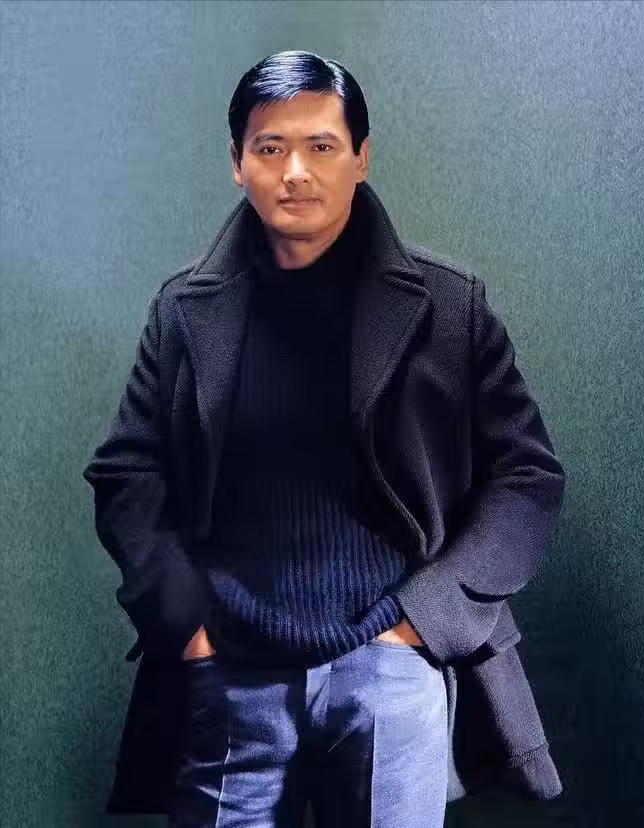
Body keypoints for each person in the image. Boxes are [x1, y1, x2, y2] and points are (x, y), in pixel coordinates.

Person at [82, 50, 566, 827]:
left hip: (391, 665)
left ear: (361, 158)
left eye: (322, 146)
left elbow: (529, 477)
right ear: (237, 162)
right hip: (231, 669)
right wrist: (187, 623)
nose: (295, 172)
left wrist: (425, 620)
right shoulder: (183, 310)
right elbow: (125, 473)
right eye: (271, 148)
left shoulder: (449, 305)